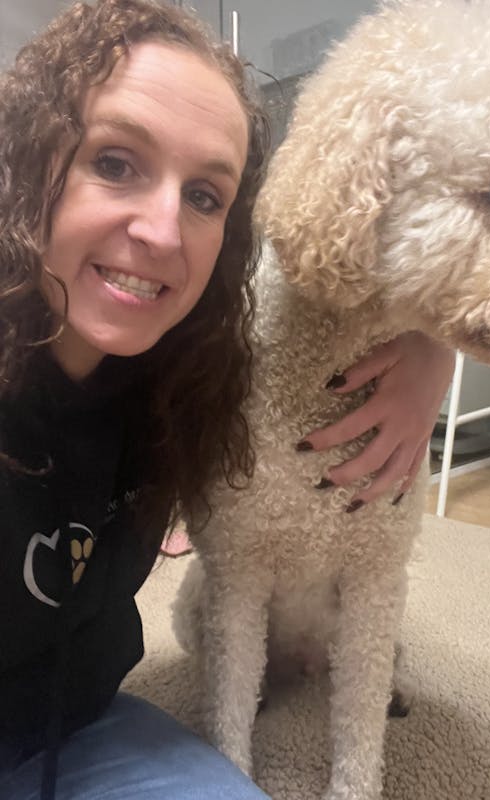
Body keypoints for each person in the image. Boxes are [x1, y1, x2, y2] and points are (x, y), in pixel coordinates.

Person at [0, 1, 454, 798]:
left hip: (79, 721)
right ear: (31, 157)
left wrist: (432, 343)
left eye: (206, 196)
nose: (163, 231)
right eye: (116, 162)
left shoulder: (185, 377)